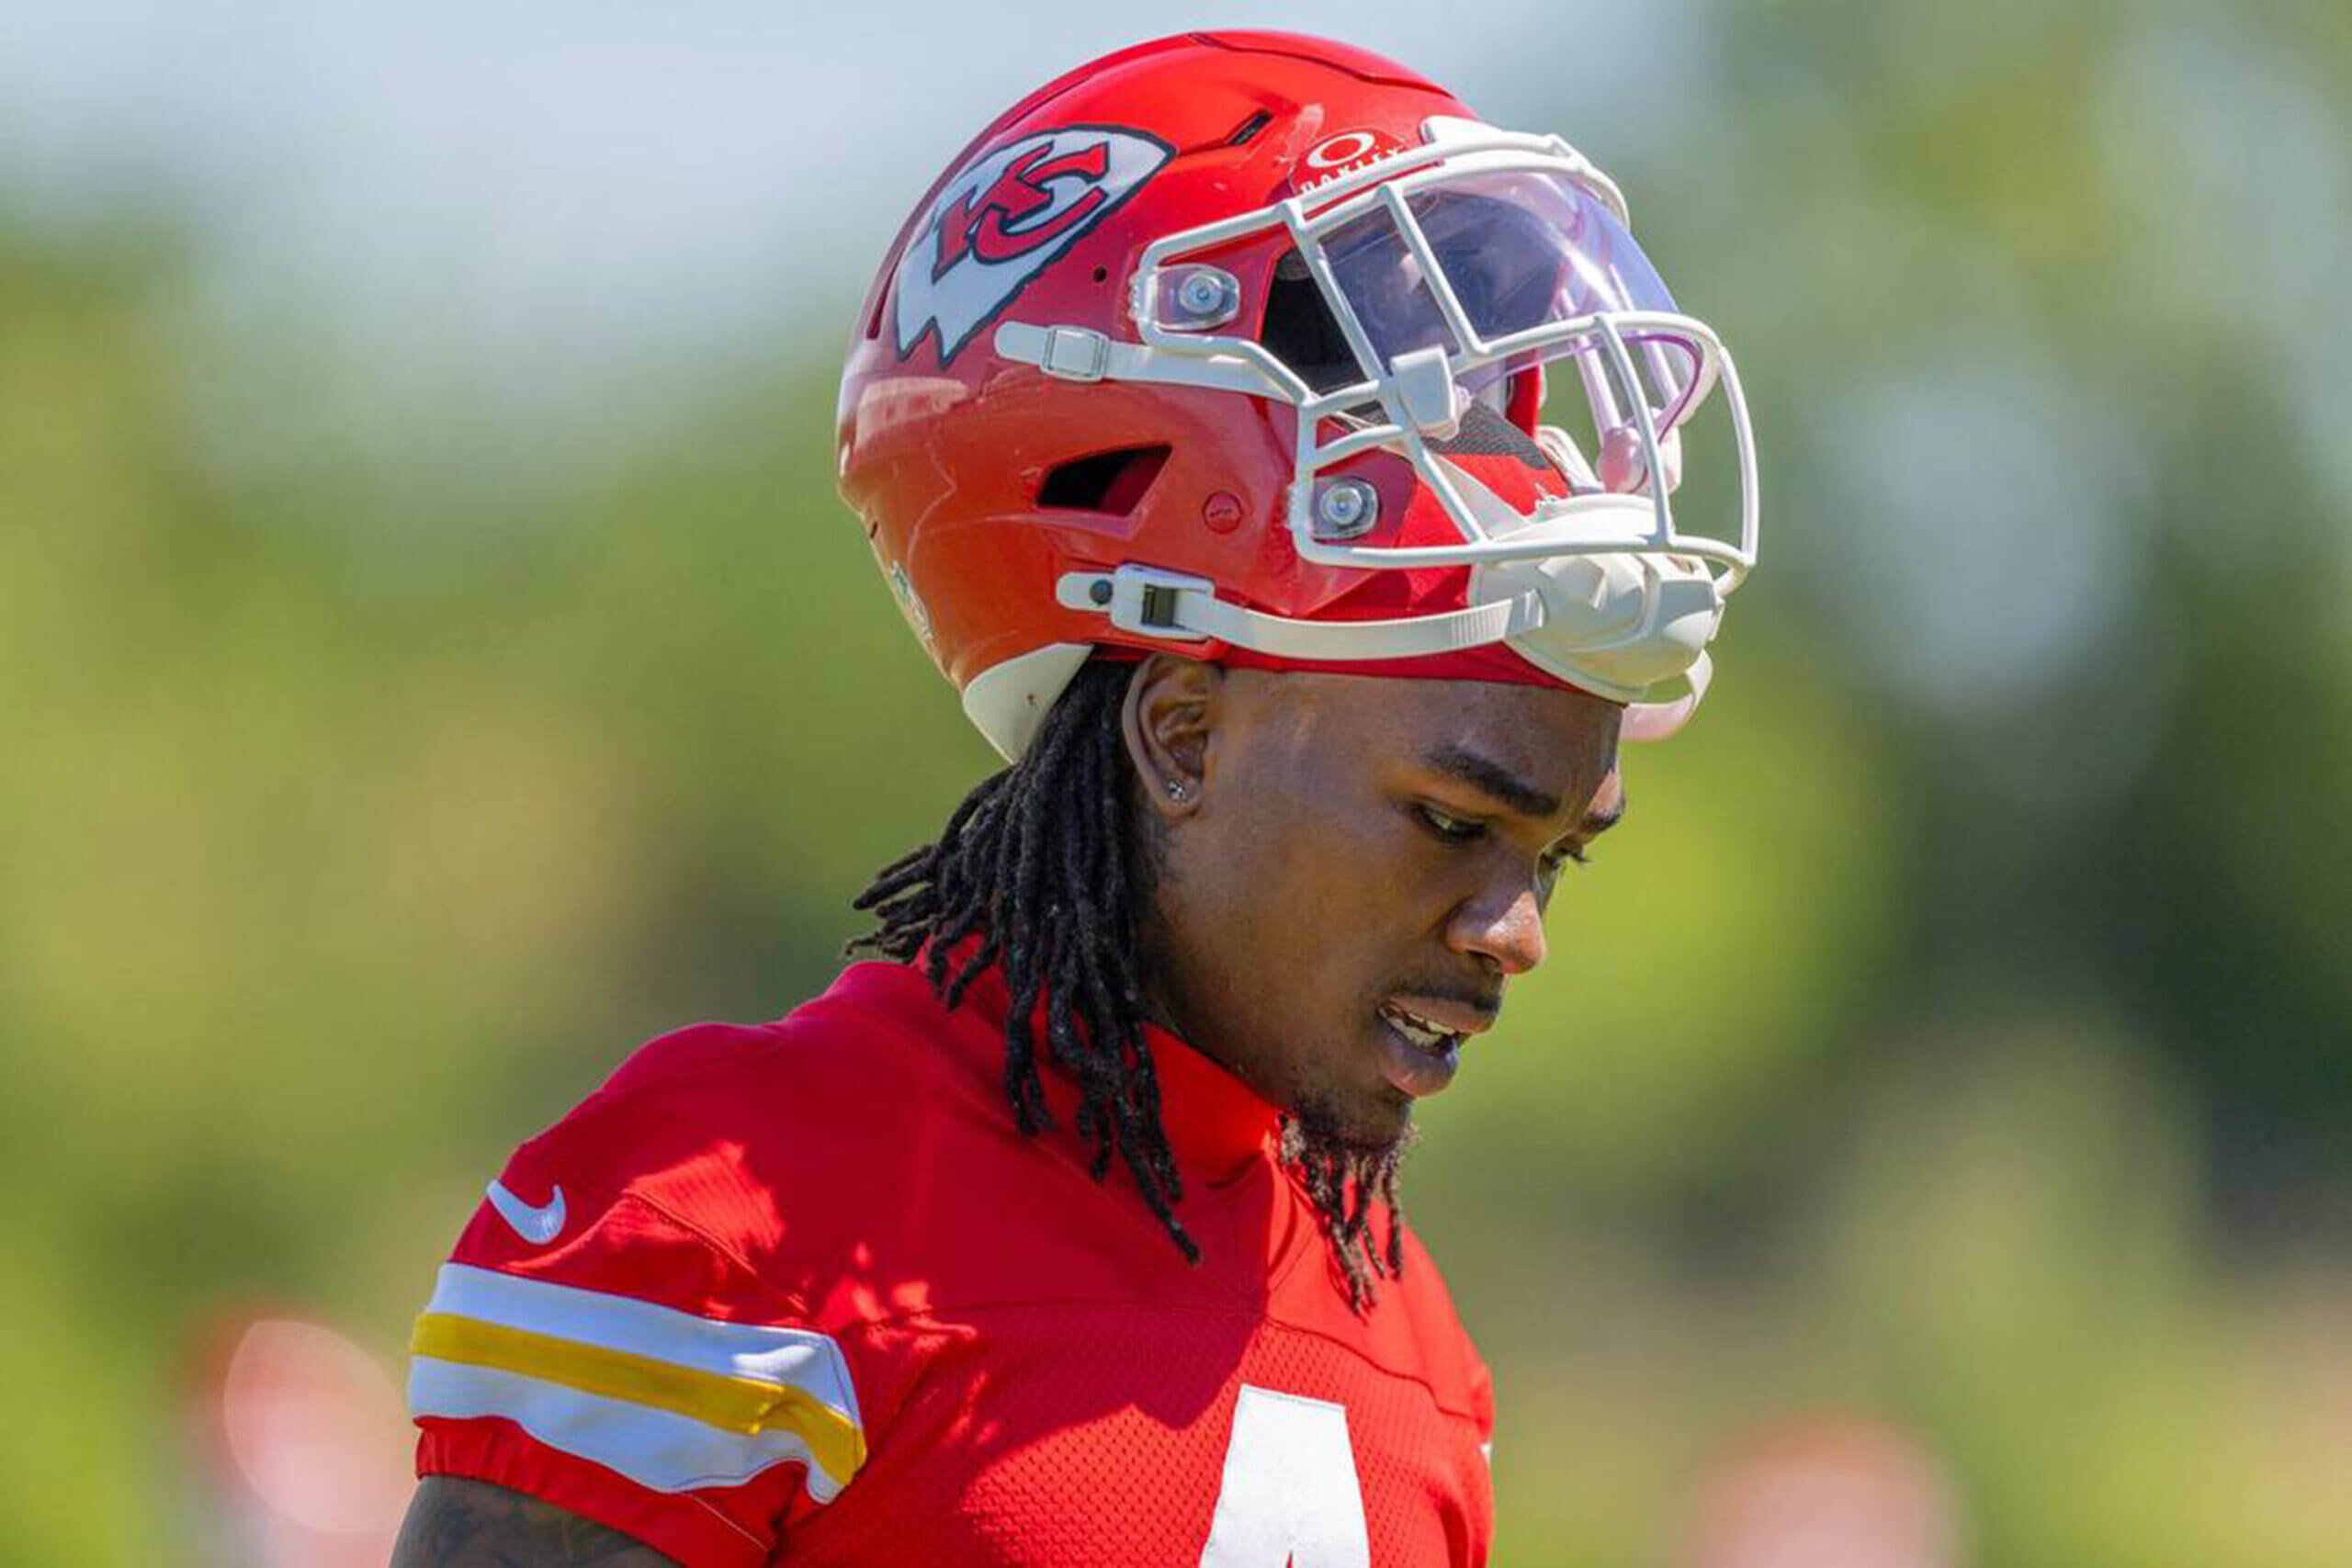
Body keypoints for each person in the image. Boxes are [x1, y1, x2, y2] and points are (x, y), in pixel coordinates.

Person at [390, 28, 1757, 1567]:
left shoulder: (1413, 1345)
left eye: (1554, 857)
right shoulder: (720, 1222)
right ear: (1179, 736)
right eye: (1454, 822)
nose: (1516, 935)